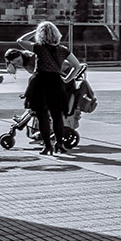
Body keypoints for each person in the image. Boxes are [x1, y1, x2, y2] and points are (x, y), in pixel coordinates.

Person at [17, 21, 80, 153]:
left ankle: (47, 146)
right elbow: (77, 66)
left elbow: (20, 40)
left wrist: (36, 32)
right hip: (56, 82)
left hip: (40, 82)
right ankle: (59, 143)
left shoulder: (38, 48)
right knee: (57, 115)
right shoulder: (63, 50)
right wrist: (67, 79)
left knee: (42, 116)